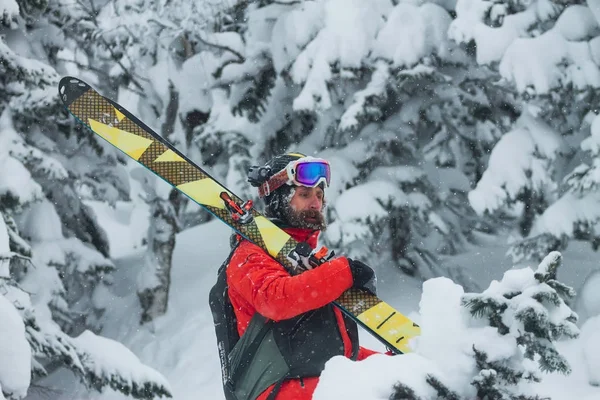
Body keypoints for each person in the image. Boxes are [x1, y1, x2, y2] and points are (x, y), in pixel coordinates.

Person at [222, 152, 381, 400]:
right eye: (304, 195)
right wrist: (344, 272)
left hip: (320, 386)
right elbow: (277, 299)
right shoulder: (249, 255)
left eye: (319, 195)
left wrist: (391, 367)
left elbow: (339, 355)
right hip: (278, 390)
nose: (316, 203)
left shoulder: (309, 268)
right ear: (278, 200)